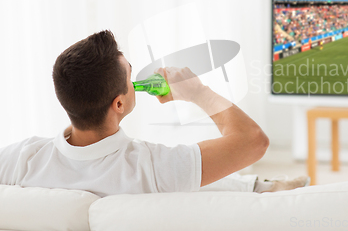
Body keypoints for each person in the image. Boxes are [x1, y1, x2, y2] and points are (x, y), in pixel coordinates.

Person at [0, 31, 308, 197]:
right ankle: (262, 187)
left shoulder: (21, 158)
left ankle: (260, 185)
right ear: (118, 104)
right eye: (130, 76)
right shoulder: (153, 167)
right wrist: (198, 93)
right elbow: (253, 140)